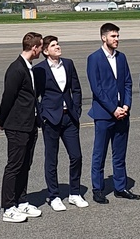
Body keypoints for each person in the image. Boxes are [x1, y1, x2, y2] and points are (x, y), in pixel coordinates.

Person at [86, 22, 137, 203]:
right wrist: (113, 109)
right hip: (104, 114)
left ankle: (120, 187)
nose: (117, 39)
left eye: (117, 36)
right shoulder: (94, 58)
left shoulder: (121, 58)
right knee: (99, 154)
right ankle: (98, 189)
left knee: (120, 153)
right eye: (113, 36)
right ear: (104, 37)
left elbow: (128, 83)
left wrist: (126, 105)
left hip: (122, 113)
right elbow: (97, 89)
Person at [0, 32, 44, 224]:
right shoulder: (16, 69)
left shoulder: (28, 67)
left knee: (26, 164)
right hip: (17, 125)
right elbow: (8, 97)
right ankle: (8, 206)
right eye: (40, 47)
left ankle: (21, 200)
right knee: (14, 165)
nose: (41, 50)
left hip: (29, 124)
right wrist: (2, 118)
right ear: (34, 48)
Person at [35, 35, 86, 212]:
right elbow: (36, 97)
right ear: (45, 51)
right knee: (52, 159)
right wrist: (42, 116)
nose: (58, 47)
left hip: (69, 117)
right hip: (51, 118)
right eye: (54, 45)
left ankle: (75, 193)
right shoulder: (39, 69)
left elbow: (76, 88)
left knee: (76, 156)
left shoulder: (69, 64)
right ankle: (54, 195)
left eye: (58, 44)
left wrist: (77, 110)